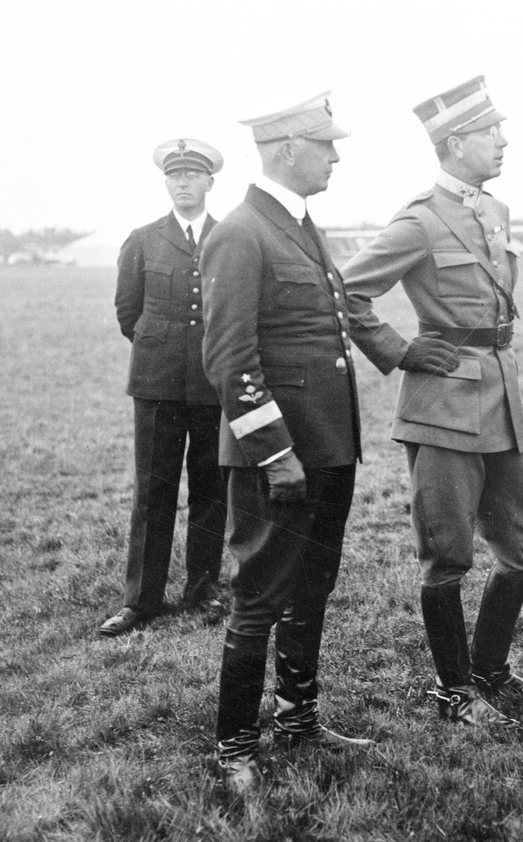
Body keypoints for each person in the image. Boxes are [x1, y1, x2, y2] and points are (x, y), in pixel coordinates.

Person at [200, 92, 457, 792]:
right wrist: (274, 452)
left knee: (311, 587)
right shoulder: (242, 232)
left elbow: (333, 324)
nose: (336, 157)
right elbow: (229, 358)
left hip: (328, 448)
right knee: (259, 596)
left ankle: (298, 719)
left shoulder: (300, 226)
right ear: (288, 150)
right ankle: (234, 745)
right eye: (326, 146)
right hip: (279, 455)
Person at [341, 76, 523, 729]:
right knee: (448, 550)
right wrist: (400, 351)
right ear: (456, 142)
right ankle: (454, 691)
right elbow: (345, 292)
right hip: (442, 406)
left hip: (499, 396)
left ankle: (490, 670)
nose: (503, 141)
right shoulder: (419, 220)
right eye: (491, 132)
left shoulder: (494, 211)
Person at [100, 139, 228, 637]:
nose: (183, 183)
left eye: (192, 175)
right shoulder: (142, 239)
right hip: (157, 385)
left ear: (209, 182)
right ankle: (141, 600)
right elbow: (127, 312)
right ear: (166, 183)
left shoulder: (229, 237)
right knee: (153, 491)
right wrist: (162, 352)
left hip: (213, 383)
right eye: (175, 176)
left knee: (211, 488)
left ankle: (203, 587)